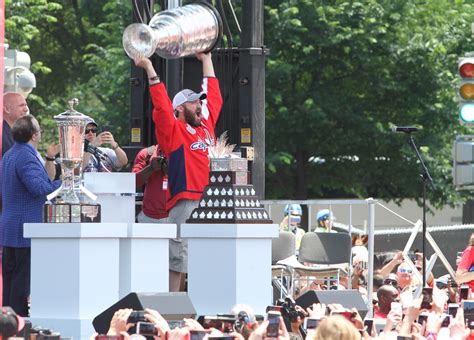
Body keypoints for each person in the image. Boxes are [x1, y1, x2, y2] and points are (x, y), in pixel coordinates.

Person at [134, 52, 223, 291]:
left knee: (206, 257)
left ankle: (202, 308)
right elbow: (162, 106)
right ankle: (172, 307)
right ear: (181, 108)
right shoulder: (173, 131)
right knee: (179, 258)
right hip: (185, 199)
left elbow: (214, 97)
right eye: (195, 102)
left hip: (211, 201)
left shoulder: (205, 127)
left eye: (199, 102)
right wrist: (149, 68)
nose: (200, 105)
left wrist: (206, 59)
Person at [0, 115, 61, 316]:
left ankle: (8, 326)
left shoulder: (9, 154)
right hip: (24, 229)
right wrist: (66, 184)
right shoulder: (26, 155)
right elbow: (39, 189)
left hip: (11, 228)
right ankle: (18, 327)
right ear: (35, 135)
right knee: (20, 283)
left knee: (10, 282)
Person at [132, 144, 168, 223]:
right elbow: (133, 182)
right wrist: (150, 168)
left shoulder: (184, 153)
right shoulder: (147, 153)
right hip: (149, 216)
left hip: (175, 214)